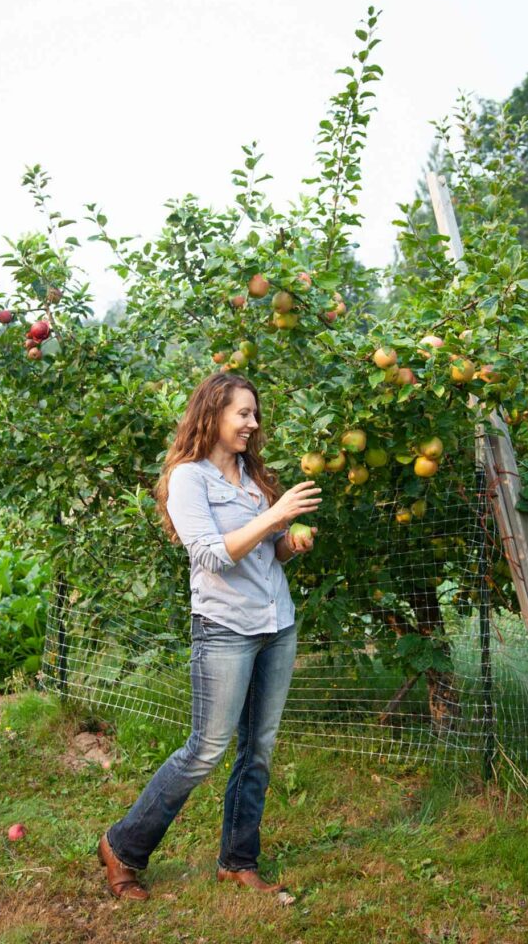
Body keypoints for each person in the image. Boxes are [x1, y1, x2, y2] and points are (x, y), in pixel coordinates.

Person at [98, 371, 321, 900]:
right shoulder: (188, 478)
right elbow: (211, 555)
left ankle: (238, 861)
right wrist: (276, 515)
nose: (252, 423)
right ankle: (123, 846)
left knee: (259, 749)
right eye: (242, 413)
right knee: (206, 748)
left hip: (276, 623)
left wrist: (289, 541)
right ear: (213, 414)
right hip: (225, 628)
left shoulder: (251, 474)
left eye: (254, 414)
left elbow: (270, 550)